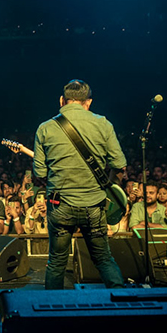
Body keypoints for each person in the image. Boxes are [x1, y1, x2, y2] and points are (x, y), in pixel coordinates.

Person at [33, 80, 127, 289]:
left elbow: (39, 173)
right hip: (93, 205)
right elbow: (119, 165)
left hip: (60, 206)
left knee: (56, 262)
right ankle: (123, 304)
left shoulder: (45, 128)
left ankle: (52, 313)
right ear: (88, 102)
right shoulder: (103, 123)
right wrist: (109, 187)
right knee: (103, 259)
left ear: (61, 101)